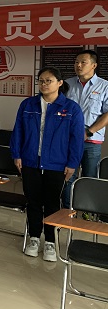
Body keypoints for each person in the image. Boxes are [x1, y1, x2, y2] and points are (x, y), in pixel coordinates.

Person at [11, 67, 84, 262]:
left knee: (52, 202)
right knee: (33, 201)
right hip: (30, 161)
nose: (44, 84)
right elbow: (18, 131)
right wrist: (16, 154)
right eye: (41, 80)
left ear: (59, 83)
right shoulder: (28, 104)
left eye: (48, 81)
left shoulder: (71, 108)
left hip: (57, 164)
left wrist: (72, 163)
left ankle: (51, 240)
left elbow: (77, 139)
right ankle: (34, 238)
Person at [62, 49, 108, 208]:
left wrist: (89, 132)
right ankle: (67, 210)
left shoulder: (104, 86)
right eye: (76, 62)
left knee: (89, 177)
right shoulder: (67, 84)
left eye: (83, 62)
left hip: (91, 141)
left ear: (94, 65)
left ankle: (89, 211)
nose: (78, 65)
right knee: (68, 175)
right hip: (68, 140)